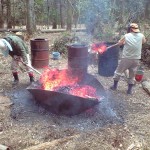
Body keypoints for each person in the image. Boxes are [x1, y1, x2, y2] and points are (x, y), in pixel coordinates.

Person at [110, 23, 146, 94]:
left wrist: (123, 42)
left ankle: (114, 87)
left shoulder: (126, 35)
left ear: (130, 29)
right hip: (136, 59)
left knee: (118, 71)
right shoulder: (141, 35)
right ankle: (129, 91)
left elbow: (119, 43)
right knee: (132, 74)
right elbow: (143, 42)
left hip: (126, 58)